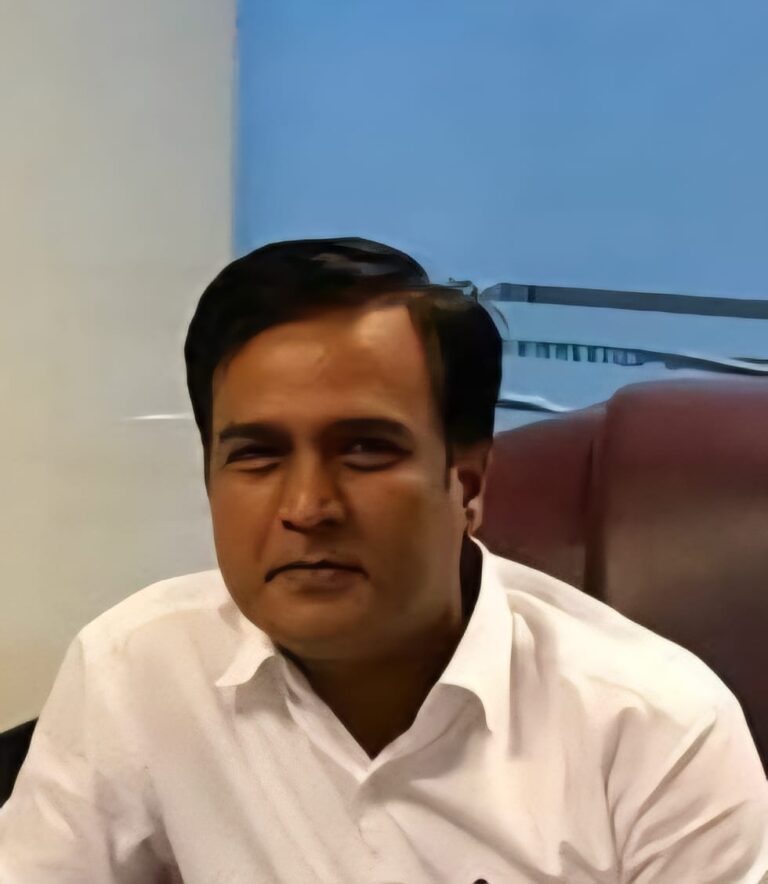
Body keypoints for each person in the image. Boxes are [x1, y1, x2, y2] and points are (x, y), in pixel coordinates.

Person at [0, 238, 766, 883]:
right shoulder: (137, 668)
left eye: (365, 449)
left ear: (468, 485)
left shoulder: (656, 731)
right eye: (257, 455)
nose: (307, 506)